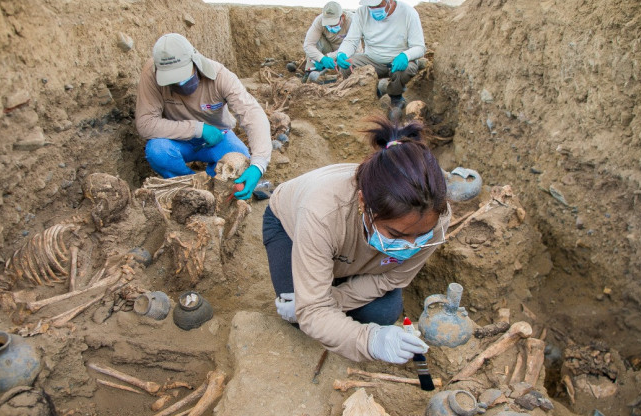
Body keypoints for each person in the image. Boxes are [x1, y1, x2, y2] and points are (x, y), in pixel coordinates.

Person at [262, 116, 451, 363]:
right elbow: (313, 312)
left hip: (348, 249)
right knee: (302, 318)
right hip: (289, 226)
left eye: (421, 236)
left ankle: (336, 281)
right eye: (396, 235)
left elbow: (394, 277)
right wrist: (368, 340)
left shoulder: (436, 217)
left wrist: (333, 300)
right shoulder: (322, 214)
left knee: (383, 312)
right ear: (363, 203)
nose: (412, 246)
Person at [135, 33, 271, 200]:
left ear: (195, 61)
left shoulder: (220, 76)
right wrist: (197, 129)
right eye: (172, 81)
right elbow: (145, 123)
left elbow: (252, 113)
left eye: (182, 78)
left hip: (217, 139)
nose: (178, 85)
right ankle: (189, 184)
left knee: (239, 160)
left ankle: (214, 183)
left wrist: (258, 164)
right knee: (157, 151)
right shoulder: (152, 73)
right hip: (175, 140)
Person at [335, 0, 426, 109]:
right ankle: (372, 93)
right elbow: (351, 40)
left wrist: (405, 56)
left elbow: (419, 47)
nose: (374, 9)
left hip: (397, 61)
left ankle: (396, 97)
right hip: (372, 60)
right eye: (370, 6)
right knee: (347, 67)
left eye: (378, 5)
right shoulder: (362, 13)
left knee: (405, 70)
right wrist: (342, 53)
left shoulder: (408, 13)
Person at [302, 1, 355, 77]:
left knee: (350, 65)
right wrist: (321, 58)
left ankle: (337, 74)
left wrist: (329, 56)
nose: (331, 27)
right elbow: (308, 45)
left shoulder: (352, 21)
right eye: (328, 24)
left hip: (346, 53)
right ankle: (310, 73)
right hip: (329, 48)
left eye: (334, 24)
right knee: (317, 40)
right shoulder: (319, 21)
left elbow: (355, 48)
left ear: (342, 17)